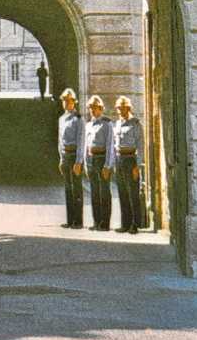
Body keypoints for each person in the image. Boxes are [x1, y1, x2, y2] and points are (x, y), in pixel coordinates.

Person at [111, 96, 145, 234]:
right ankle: (124, 224)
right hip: (119, 160)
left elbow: (140, 146)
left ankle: (134, 224)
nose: (120, 111)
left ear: (129, 108)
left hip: (131, 159)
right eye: (118, 108)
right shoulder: (117, 124)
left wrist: (137, 165)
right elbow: (115, 145)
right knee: (122, 193)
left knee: (133, 193)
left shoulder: (135, 124)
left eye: (122, 108)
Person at [83, 95, 113, 231]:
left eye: (95, 108)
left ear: (101, 108)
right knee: (94, 192)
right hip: (91, 160)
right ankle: (96, 222)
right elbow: (86, 146)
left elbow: (110, 145)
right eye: (90, 108)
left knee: (104, 192)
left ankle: (105, 223)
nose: (92, 110)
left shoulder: (107, 124)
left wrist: (107, 165)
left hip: (102, 159)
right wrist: (85, 163)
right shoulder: (88, 125)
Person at [56, 88, 84, 228]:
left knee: (76, 188)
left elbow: (81, 141)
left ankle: (78, 221)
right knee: (68, 188)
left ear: (74, 102)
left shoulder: (78, 119)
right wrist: (61, 159)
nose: (67, 103)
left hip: (74, 156)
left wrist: (79, 161)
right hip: (66, 155)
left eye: (69, 101)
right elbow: (60, 141)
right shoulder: (61, 119)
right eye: (65, 101)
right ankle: (70, 219)